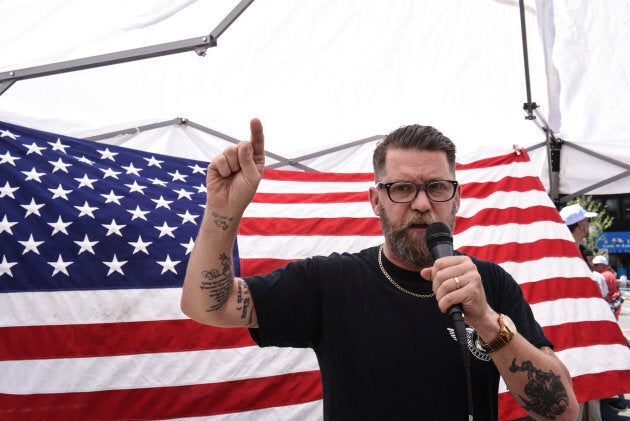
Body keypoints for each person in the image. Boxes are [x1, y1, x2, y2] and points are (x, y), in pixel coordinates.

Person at [181, 119, 578, 420]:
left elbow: (563, 412)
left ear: (456, 199)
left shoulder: (491, 284)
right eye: (402, 189)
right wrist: (223, 210)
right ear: (376, 200)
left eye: (437, 187)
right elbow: (209, 306)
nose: (422, 203)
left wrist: (489, 323)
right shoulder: (330, 282)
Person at [593, 255, 623, 319]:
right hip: (615, 303)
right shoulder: (610, 274)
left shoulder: (602, 276)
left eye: (596, 265)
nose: (594, 266)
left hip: (609, 304)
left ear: (603, 265)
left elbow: (601, 292)